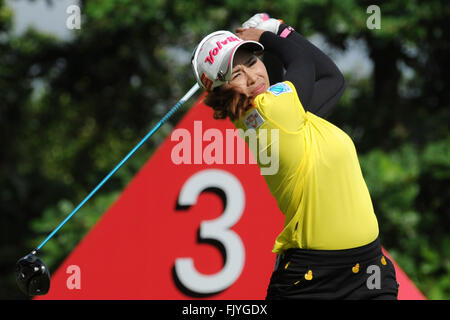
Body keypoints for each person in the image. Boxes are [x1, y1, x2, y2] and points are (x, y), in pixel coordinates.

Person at [191, 13, 399, 300]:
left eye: (252, 62)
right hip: (313, 280)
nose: (253, 77)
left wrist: (278, 29)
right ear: (222, 91)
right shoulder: (270, 110)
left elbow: (332, 79)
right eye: (237, 75)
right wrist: (267, 33)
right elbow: (302, 62)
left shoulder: (291, 113)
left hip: (370, 270)